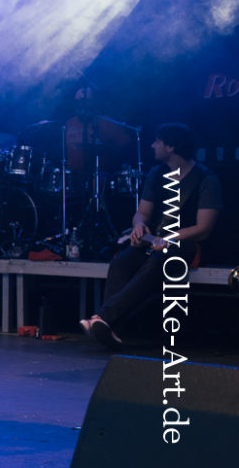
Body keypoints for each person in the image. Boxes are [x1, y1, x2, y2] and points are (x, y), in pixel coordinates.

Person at [80, 123, 222, 349]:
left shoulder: (206, 179)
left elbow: (203, 228)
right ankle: (109, 328)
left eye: (157, 141)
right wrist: (138, 226)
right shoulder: (157, 174)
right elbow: (142, 213)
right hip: (156, 241)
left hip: (188, 244)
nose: (152, 145)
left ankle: (104, 318)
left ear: (171, 147)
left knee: (158, 261)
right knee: (121, 262)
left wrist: (170, 238)